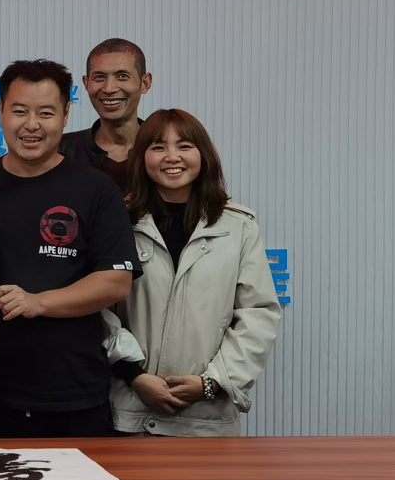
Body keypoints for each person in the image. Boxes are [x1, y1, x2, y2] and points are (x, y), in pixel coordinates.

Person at [0, 58, 138, 438]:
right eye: (19, 111)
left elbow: (115, 282)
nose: (32, 125)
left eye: (45, 113)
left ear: (65, 114)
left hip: (74, 393)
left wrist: (38, 302)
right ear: (1, 111)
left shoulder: (96, 189)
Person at [112, 109, 282, 436]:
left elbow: (258, 312)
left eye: (185, 146)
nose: (172, 156)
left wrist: (211, 382)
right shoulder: (119, 222)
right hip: (130, 413)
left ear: (203, 155)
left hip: (207, 420)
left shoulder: (239, 227)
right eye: (158, 147)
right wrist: (135, 375)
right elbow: (101, 309)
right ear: (141, 158)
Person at [59, 37, 152, 187]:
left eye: (122, 76)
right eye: (99, 77)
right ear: (86, 83)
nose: (109, 88)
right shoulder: (61, 151)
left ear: (145, 83)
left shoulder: (169, 152)